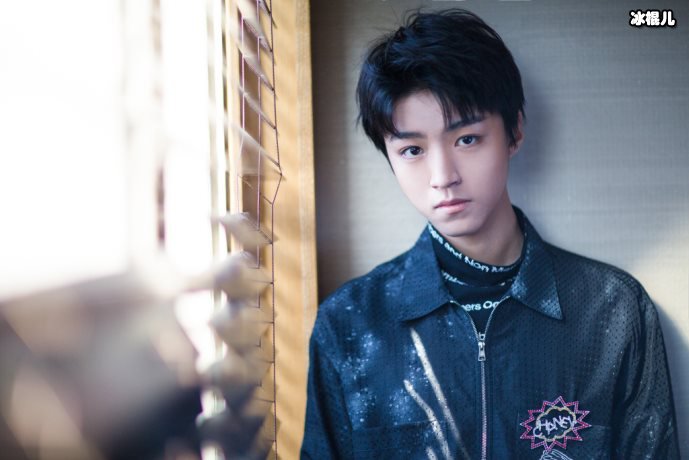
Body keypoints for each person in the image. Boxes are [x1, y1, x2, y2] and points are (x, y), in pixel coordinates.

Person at [301, 9, 679, 460]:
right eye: (412, 150)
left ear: (514, 131)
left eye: (467, 139)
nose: (442, 177)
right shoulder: (350, 324)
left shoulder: (611, 311)